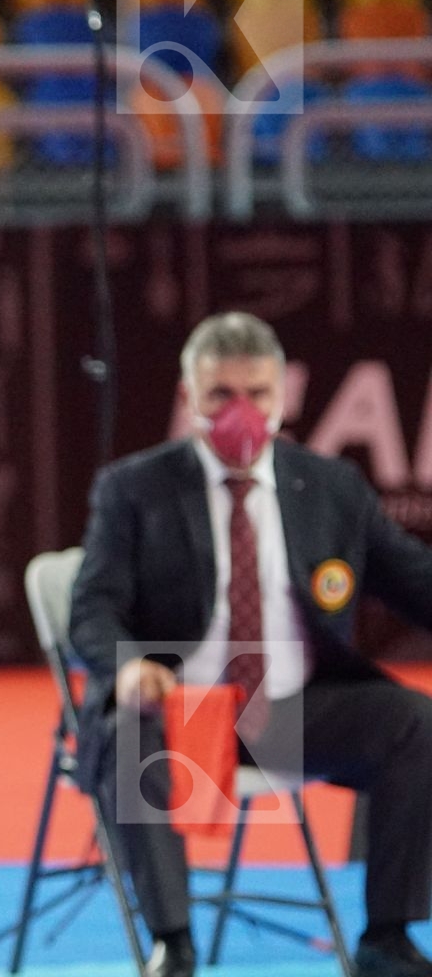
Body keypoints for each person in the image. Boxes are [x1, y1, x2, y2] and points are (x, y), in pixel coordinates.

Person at [71, 311, 432, 977]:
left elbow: (415, 581)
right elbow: (92, 607)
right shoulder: (134, 489)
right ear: (188, 396)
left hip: (291, 713)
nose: (241, 412)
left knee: (413, 722)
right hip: (179, 710)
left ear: (282, 396)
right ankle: (172, 945)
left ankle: (388, 937)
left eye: (257, 394)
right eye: (220, 395)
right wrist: (129, 666)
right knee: (129, 730)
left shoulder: (330, 488)